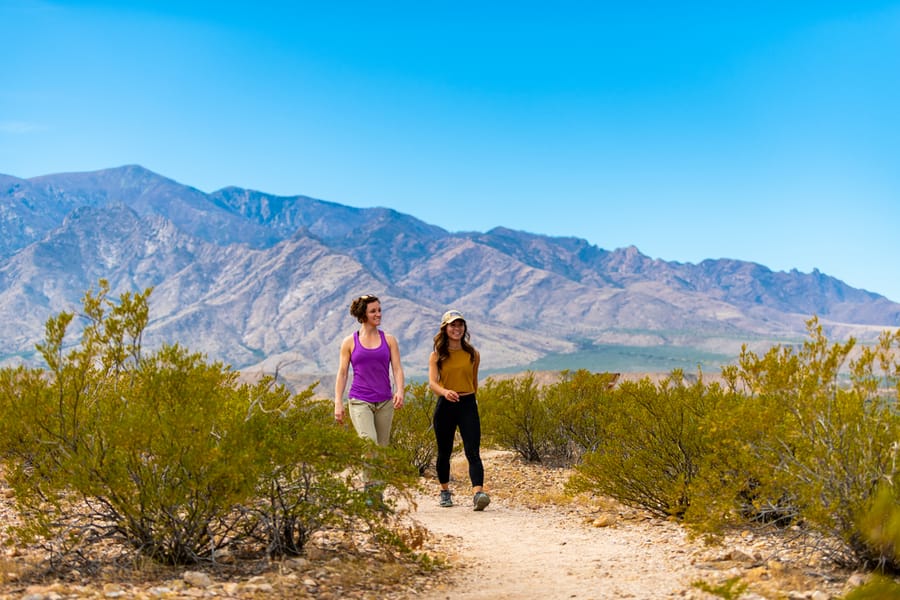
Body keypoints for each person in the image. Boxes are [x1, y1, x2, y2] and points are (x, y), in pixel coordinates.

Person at [429, 309, 490, 511]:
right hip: (446, 405)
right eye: (453, 325)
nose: (457, 329)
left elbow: (473, 381)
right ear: (445, 328)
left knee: (472, 451)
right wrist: (445, 392)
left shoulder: (473, 354)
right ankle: (445, 491)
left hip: (467, 404)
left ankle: (478, 494)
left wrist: (470, 399)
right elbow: (432, 383)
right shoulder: (437, 355)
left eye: (460, 325)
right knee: (444, 452)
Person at [334, 293, 405, 447]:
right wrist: (338, 402)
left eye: (379, 310)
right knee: (370, 445)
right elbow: (342, 373)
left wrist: (400, 391)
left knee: (382, 449)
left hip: (385, 401)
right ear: (363, 314)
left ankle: (375, 473)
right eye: (373, 311)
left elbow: (397, 369)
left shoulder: (389, 340)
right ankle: (366, 472)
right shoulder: (349, 342)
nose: (378, 314)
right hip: (360, 400)